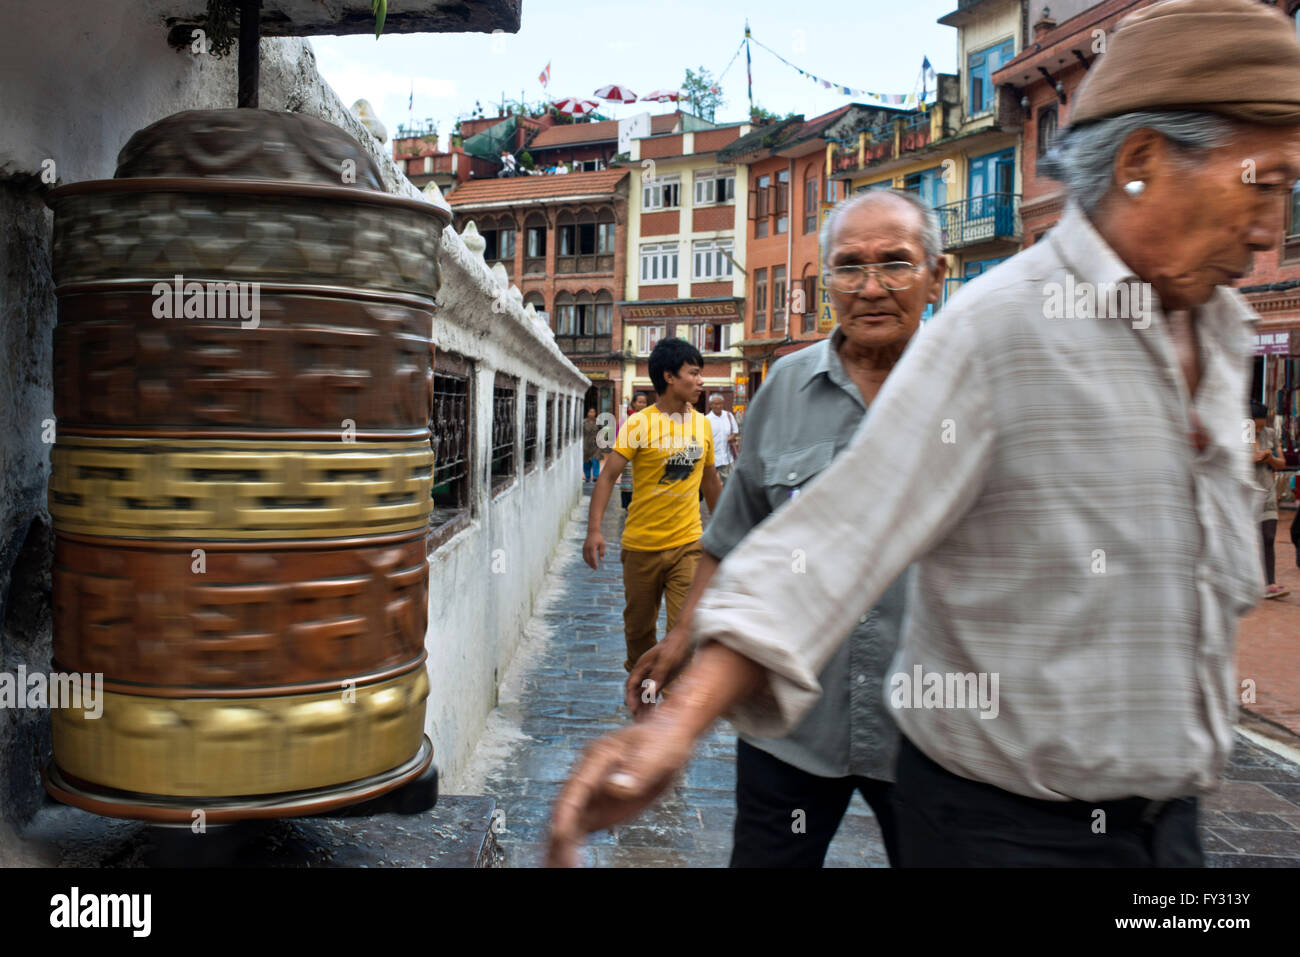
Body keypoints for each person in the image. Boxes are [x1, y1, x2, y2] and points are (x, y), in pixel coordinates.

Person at [549, 0, 1300, 869]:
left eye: (1286, 190)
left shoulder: (1224, 328)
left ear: (932, 273)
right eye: (1264, 183)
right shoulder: (1004, 331)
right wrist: (676, 723)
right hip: (1009, 827)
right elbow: (828, 540)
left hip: (1169, 824)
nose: (1269, 226)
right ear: (1140, 162)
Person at [625, 191, 946, 867]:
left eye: (896, 264)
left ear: (936, 274)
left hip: (931, 732)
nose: (871, 287)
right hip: (790, 722)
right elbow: (733, 533)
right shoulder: (785, 388)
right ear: (826, 283)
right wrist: (680, 639)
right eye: (849, 267)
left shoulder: (972, 388)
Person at [583, 339, 722, 673]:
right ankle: (643, 694)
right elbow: (607, 477)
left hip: (688, 545)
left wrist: (726, 531)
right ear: (669, 377)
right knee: (639, 633)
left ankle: (672, 709)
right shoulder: (639, 424)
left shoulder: (703, 424)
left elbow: (710, 480)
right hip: (641, 548)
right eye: (694, 373)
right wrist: (594, 531)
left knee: (682, 634)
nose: (701, 381)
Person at [1252, 400, 1289, 598]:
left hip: (1267, 490)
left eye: (1261, 425)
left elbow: (1281, 463)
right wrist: (1253, 457)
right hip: (1246, 492)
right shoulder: (1240, 434)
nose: (1259, 430)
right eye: (1255, 426)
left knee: (1269, 536)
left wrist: (1269, 459)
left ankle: (1270, 584)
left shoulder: (1271, 434)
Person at [620, 393, 648, 509]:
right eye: (639, 402)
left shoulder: (649, 418)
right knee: (628, 480)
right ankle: (628, 505)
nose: (642, 404)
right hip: (629, 454)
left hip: (644, 454)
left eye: (644, 402)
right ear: (634, 404)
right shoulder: (628, 417)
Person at [703, 394, 741, 483]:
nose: (718, 406)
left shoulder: (728, 415)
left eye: (720, 403)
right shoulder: (706, 419)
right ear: (710, 405)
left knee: (729, 486)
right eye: (715, 404)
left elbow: (735, 431)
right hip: (712, 461)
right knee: (713, 487)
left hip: (728, 459)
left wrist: (731, 437)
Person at [581, 407, 601, 483]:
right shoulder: (583, 423)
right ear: (587, 413)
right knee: (586, 462)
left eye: (593, 412)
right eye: (590, 412)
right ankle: (587, 476)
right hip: (586, 445)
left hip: (595, 445)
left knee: (595, 461)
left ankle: (596, 476)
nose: (592, 414)